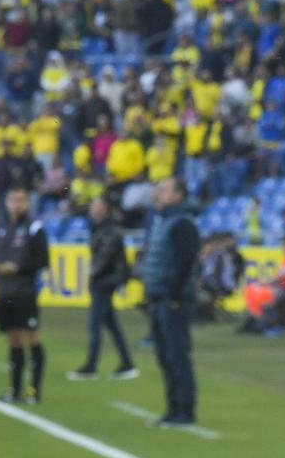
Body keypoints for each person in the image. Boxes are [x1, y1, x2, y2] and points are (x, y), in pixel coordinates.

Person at [142, 175, 201, 427]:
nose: (158, 195)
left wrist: (175, 295)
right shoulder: (163, 221)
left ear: (179, 195)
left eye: (164, 190)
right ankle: (172, 407)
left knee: (177, 355)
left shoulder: (182, 223)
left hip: (171, 299)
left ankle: (184, 410)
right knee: (165, 355)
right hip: (159, 297)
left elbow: (186, 262)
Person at [0, 187, 50, 404]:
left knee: (32, 336)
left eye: (21, 201)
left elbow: (43, 260)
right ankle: (14, 390)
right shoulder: (1, 228)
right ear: (6, 203)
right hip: (3, 291)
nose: (16, 205)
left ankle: (34, 391)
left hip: (24, 291)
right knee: (12, 340)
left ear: (27, 204)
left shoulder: (34, 228)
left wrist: (18, 267)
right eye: (13, 200)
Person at [69, 197, 138, 380]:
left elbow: (105, 258)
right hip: (106, 280)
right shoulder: (101, 227)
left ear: (105, 208)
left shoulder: (109, 230)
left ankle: (91, 366)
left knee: (95, 324)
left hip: (105, 281)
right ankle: (127, 364)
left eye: (96, 205)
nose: (92, 208)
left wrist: (91, 275)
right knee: (111, 324)